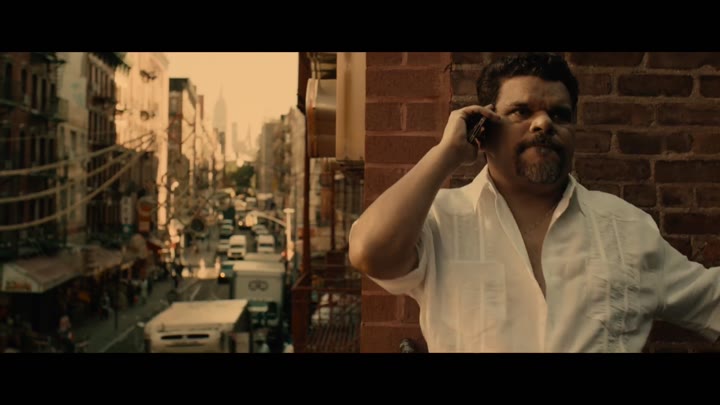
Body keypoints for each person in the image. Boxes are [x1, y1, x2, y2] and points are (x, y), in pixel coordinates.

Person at [348, 52, 720, 353]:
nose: (544, 123)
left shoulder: (626, 228)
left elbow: (711, 301)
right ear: (484, 127)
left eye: (560, 114)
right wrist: (446, 154)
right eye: (521, 112)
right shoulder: (442, 221)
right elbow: (370, 252)